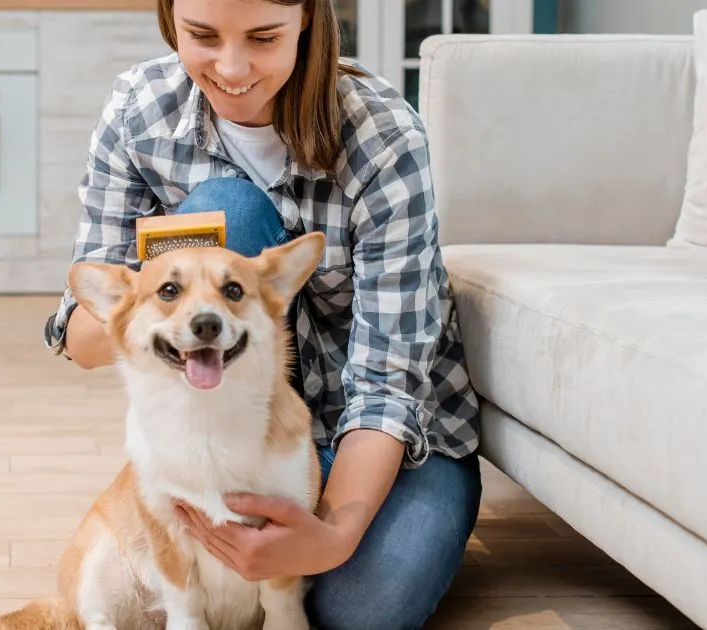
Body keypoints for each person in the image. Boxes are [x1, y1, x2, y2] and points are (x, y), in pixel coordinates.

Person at [41, 0, 482, 628]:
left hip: (393, 437)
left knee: (363, 610)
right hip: (235, 424)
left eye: (263, 37)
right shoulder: (140, 112)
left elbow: (389, 387)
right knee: (229, 210)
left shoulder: (383, 137)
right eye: (200, 35)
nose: (231, 67)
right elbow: (84, 341)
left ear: (308, 19)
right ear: (170, 22)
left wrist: (335, 535)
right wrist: (166, 287)